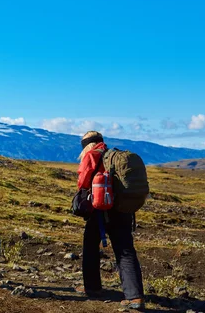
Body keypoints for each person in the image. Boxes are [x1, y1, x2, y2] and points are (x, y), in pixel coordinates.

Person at [76, 131, 145, 310]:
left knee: (90, 246)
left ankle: (92, 288)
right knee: (125, 250)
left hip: (100, 209)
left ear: (86, 145)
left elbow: (83, 181)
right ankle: (135, 296)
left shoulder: (92, 156)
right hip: (122, 208)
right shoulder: (113, 156)